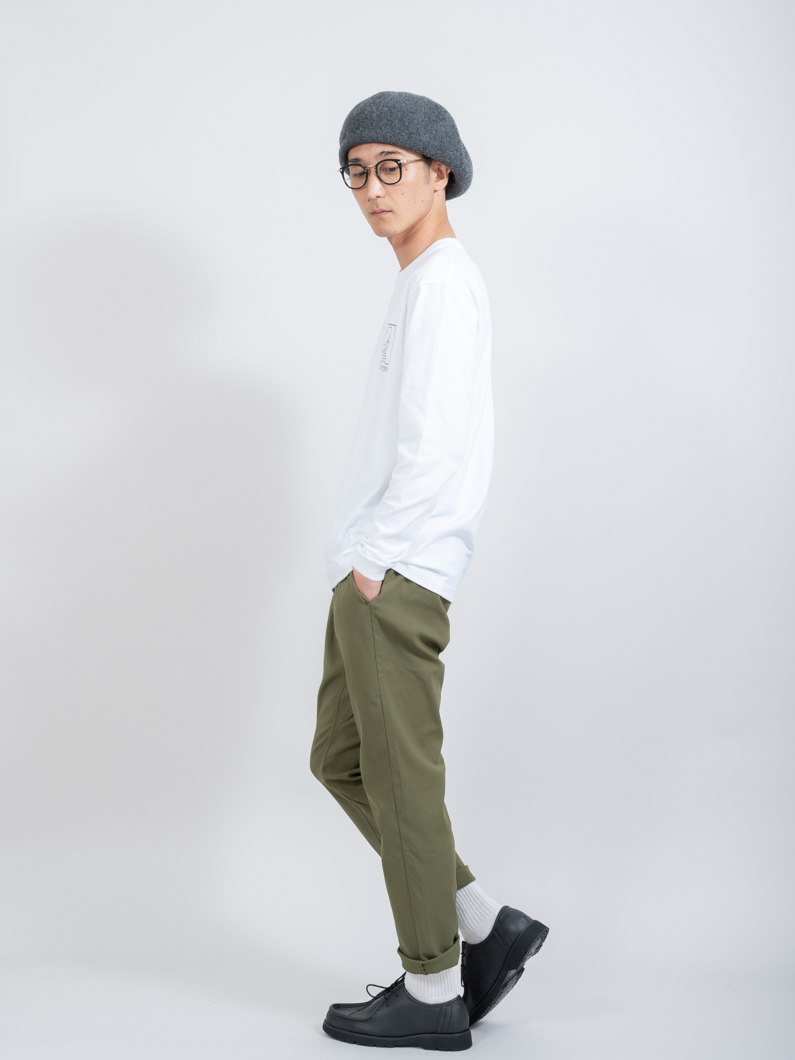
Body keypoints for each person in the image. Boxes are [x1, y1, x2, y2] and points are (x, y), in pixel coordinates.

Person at [310, 91, 548, 1052]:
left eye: (390, 167)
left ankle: (433, 986)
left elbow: (435, 442)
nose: (371, 188)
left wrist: (374, 560)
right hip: (375, 566)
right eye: (355, 171)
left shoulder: (443, 282)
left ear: (438, 172)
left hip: (395, 569)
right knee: (341, 761)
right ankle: (486, 925)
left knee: (402, 780)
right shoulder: (420, 282)